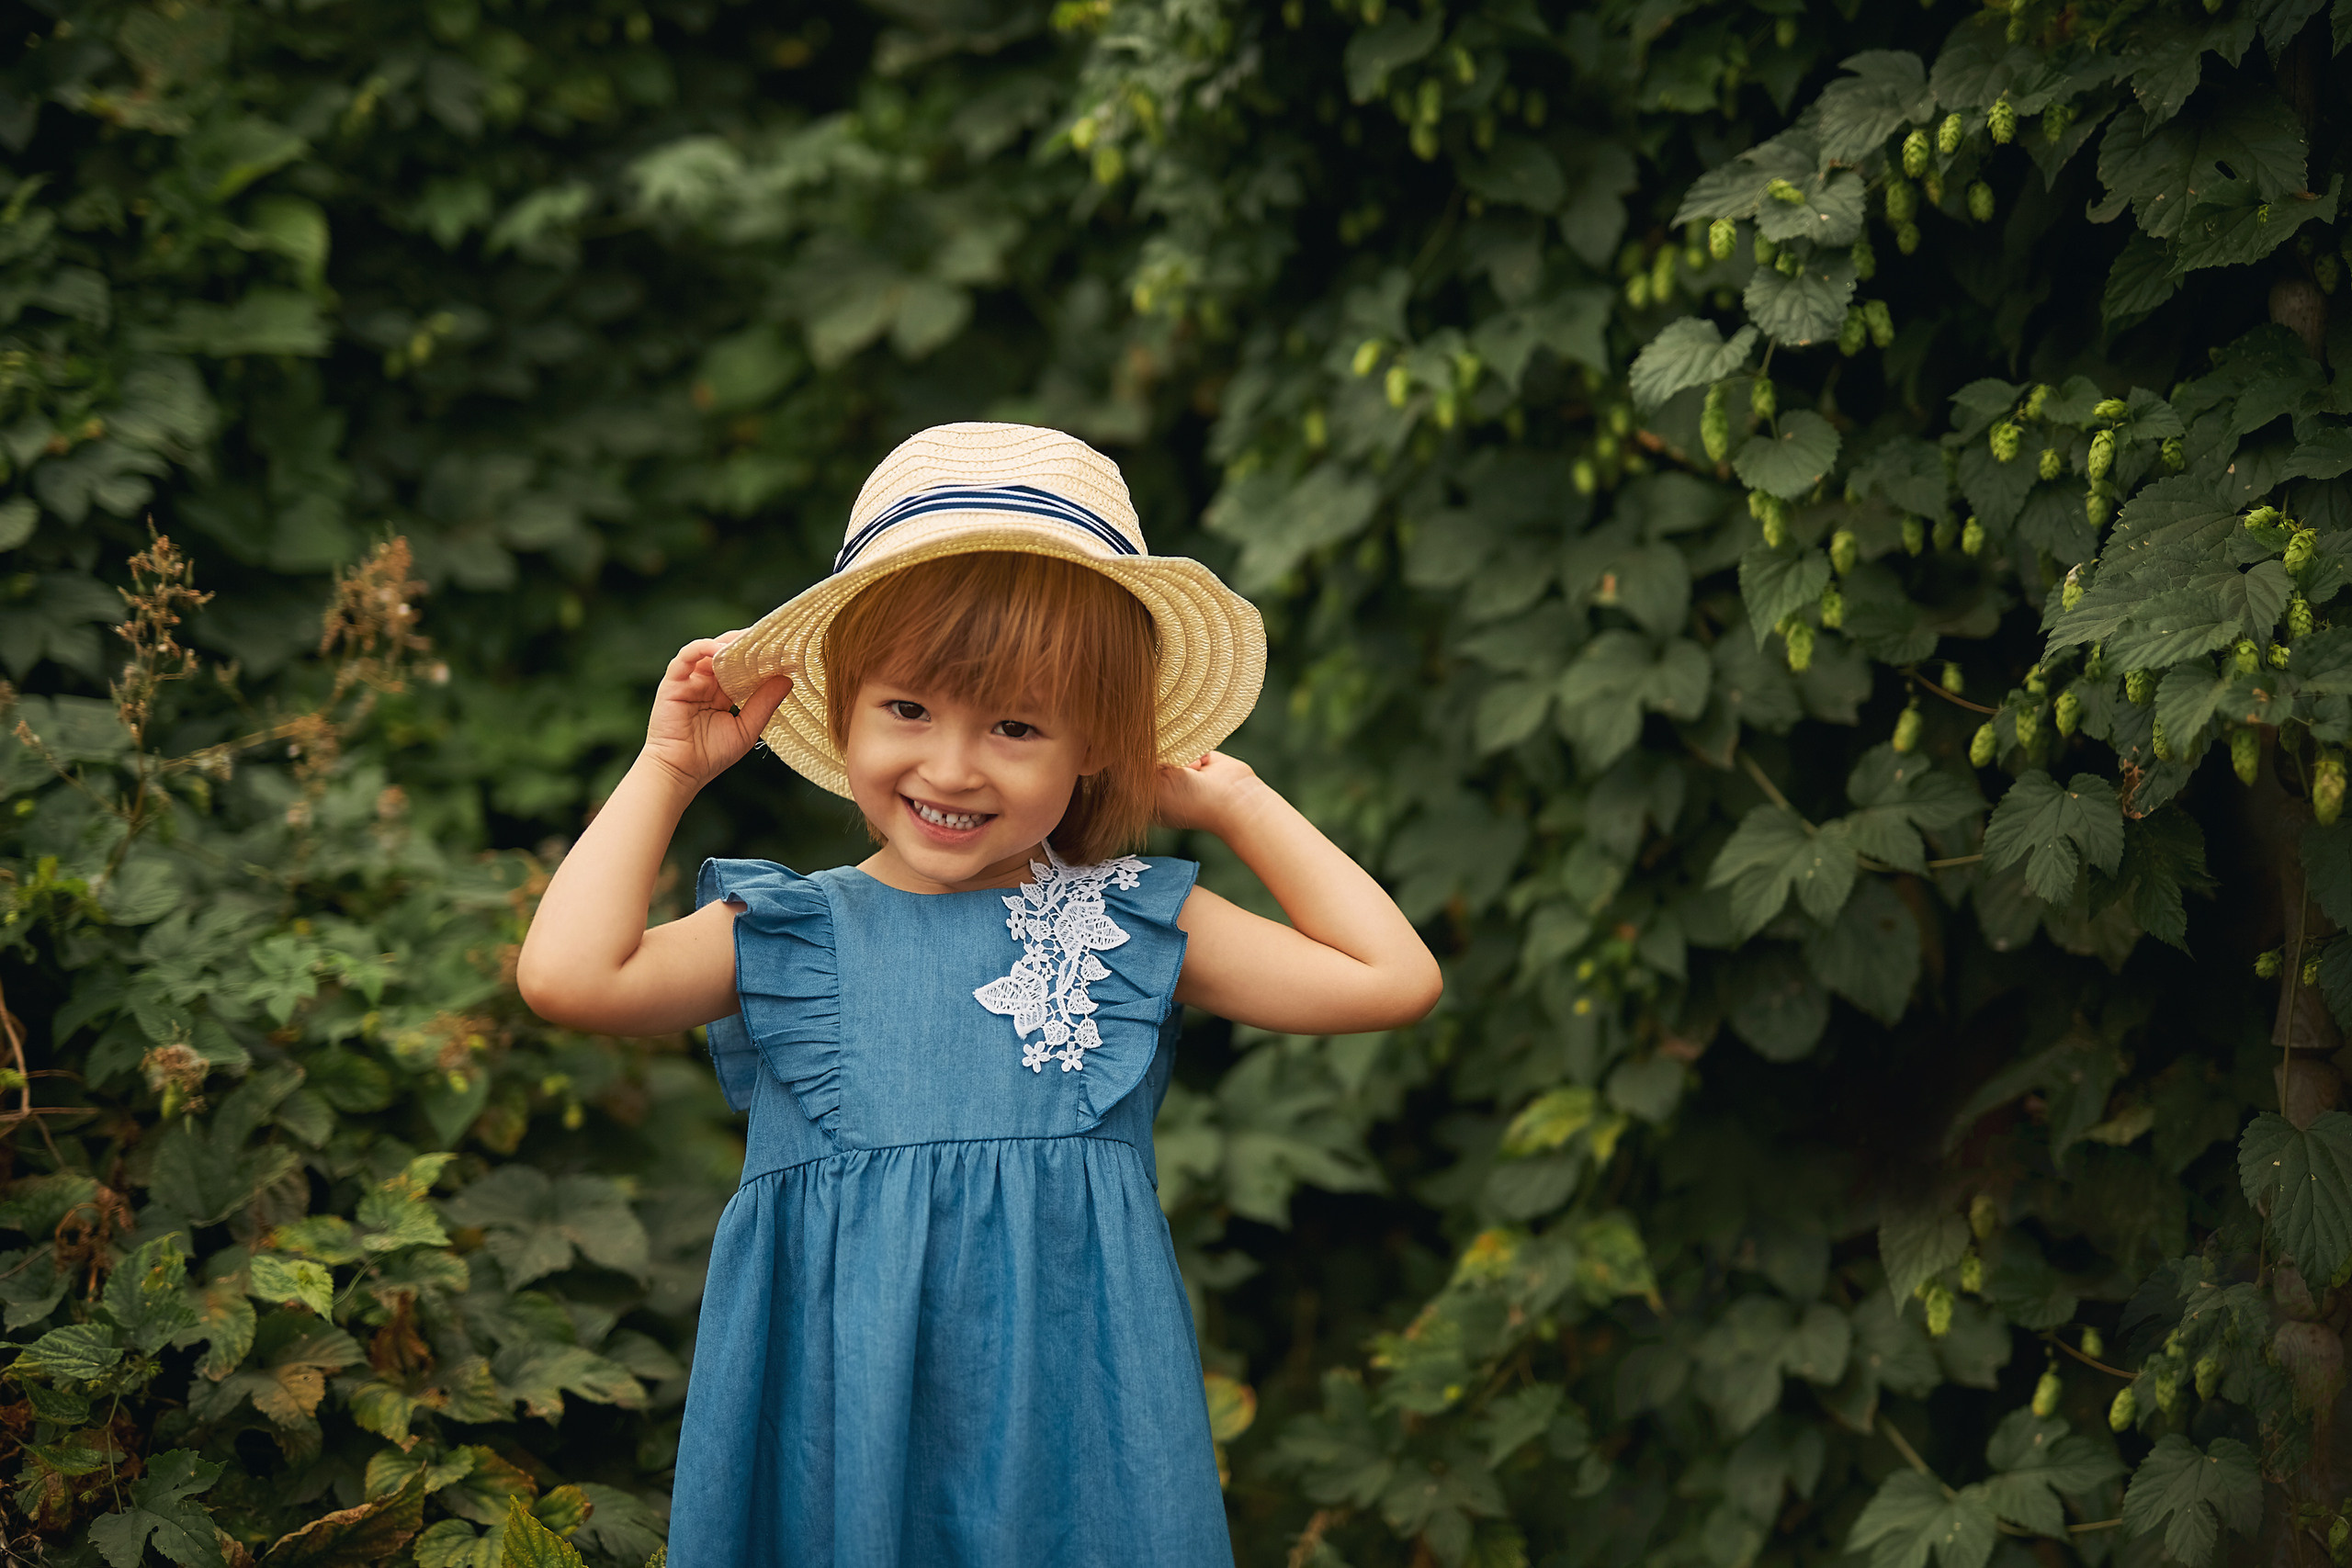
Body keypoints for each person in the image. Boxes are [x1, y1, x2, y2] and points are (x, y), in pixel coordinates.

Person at [515, 422, 1443, 1567]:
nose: (953, 769)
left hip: (1077, 1443)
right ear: (844, 708)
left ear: (1093, 745)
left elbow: (1391, 979)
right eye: (907, 710)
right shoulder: (796, 931)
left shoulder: (1126, 922)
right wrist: (667, 769)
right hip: (844, 1429)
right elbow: (567, 977)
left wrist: (1239, 802)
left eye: (1015, 726)